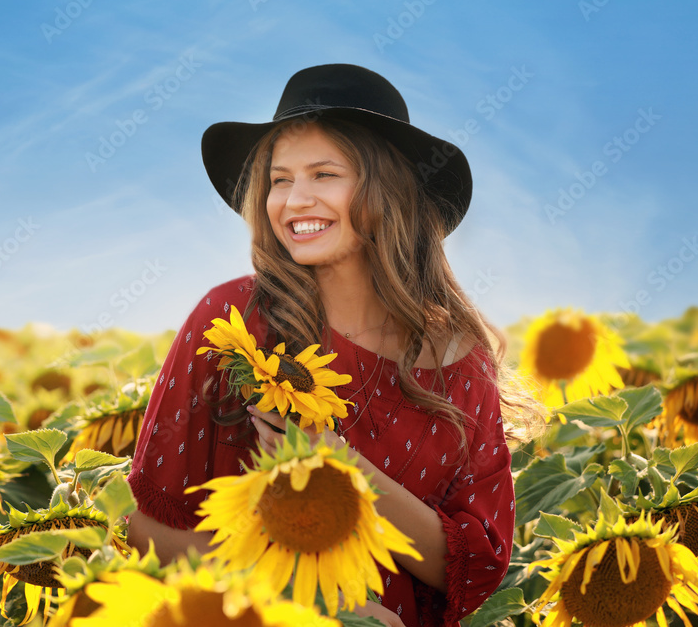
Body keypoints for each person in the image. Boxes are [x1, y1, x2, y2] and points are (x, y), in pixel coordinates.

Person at [125, 64, 537, 627]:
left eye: (324, 174)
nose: (294, 201)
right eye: (279, 179)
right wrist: (312, 605)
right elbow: (143, 524)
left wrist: (341, 466)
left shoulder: (462, 362)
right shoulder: (235, 322)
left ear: (388, 190)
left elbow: (473, 568)